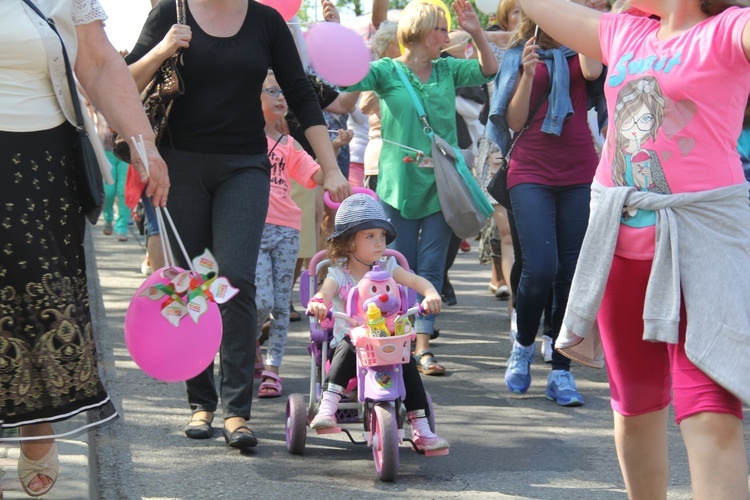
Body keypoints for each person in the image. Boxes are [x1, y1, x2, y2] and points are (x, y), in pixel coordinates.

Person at [520, 0, 750, 497]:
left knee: (710, 412)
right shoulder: (624, 32)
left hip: (699, 246)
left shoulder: (730, 30)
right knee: (636, 404)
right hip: (619, 247)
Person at [125, 0, 351, 452]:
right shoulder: (172, 12)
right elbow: (121, 81)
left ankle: (236, 412)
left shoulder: (267, 22)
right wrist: (162, 50)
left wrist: (332, 168)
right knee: (191, 284)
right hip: (180, 166)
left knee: (235, 279)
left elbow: (302, 95)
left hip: (245, 166)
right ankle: (200, 403)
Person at [0, 0, 169, 497]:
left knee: (36, 283)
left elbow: (96, 61)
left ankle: (37, 410)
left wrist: (144, 145)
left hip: (38, 157)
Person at [341, 0, 498, 375]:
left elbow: (488, 71)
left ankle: (422, 349)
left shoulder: (447, 70)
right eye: (440, 29)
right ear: (418, 32)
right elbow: (346, 84)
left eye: (446, 29)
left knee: (430, 267)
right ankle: (396, 341)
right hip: (397, 185)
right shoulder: (386, 71)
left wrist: (476, 31)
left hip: (442, 185)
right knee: (396, 265)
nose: (445, 37)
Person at [487, 5, 602, 405]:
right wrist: (529, 74)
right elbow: (514, 121)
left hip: (578, 171)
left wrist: (583, 24)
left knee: (570, 273)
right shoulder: (520, 54)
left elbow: (591, 73)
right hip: (531, 171)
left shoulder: (581, 49)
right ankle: (522, 346)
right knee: (540, 268)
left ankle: (560, 370)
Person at [306, 194, 449, 452]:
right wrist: (318, 302)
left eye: (381, 235)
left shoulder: (389, 266)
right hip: (350, 348)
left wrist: (430, 294)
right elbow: (323, 293)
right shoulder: (339, 274)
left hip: (387, 344)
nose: (379, 242)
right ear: (349, 243)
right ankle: (328, 405)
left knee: (408, 362)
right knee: (352, 341)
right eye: (369, 236)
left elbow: (418, 282)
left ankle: (421, 428)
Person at [255, 70, 330, 399]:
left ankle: (272, 368)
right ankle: (247, 347)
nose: (281, 97)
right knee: (260, 302)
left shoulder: (289, 143)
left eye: (282, 91)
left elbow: (316, 174)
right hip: (254, 228)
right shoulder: (243, 139)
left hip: (287, 230)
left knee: (281, 307)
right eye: (272, 91)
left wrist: (337, 170)